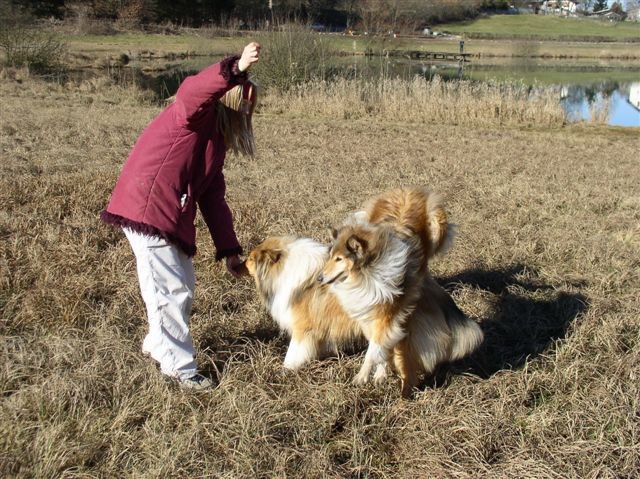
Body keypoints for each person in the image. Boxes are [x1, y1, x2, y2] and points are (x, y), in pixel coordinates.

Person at [100, 42, 261, 389]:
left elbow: (214, 198)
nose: (250, 112)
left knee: (182, 285)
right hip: (148, 205)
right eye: (247, 104)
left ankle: (159, 344)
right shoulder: (192, 114)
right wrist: (236, 68)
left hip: (169, 211)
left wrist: (229, 249)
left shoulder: (214, 142)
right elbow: (194, 88)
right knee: (169, 289)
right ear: (231, 100)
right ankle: (180, 369)